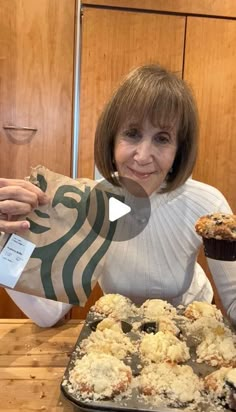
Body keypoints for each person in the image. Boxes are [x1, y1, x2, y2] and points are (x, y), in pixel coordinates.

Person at [0, 64, 235, 327]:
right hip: (121, 331)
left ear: (179, 149)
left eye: (162, 138)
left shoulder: (208, 206)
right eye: (132, 134)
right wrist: (10, 240)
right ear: (111, 139)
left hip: (187, 327)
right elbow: (47, 314)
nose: (143, 156)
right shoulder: (86, 204)